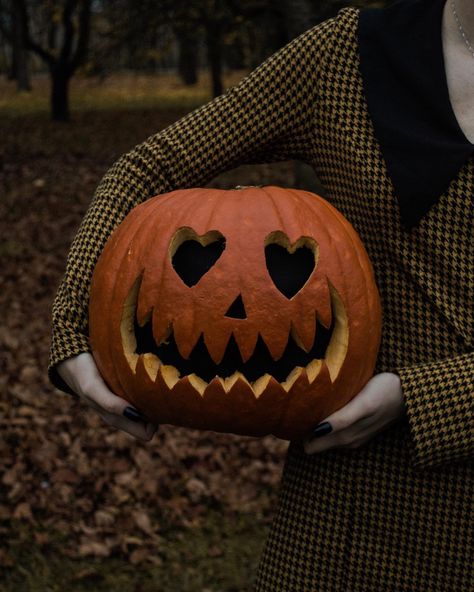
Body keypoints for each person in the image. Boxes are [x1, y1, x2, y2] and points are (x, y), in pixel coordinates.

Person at [50, 0, 473, 589]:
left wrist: (427, 396)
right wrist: (74, 325)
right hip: (356, 511)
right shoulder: (348, 56)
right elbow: (150, 166)